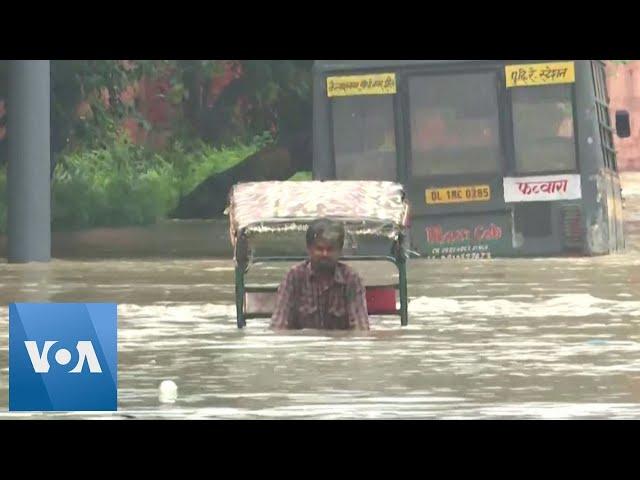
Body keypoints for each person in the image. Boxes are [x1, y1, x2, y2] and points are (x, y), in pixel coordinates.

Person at [270, 218, 370, 331]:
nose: (325, 254)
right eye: (319, 249)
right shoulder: (294, 277)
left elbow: (361, 328)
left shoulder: (350, 278)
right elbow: (279, 324)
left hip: (340, 347)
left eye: (330, 249)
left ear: (340, 250)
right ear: (309, 249)